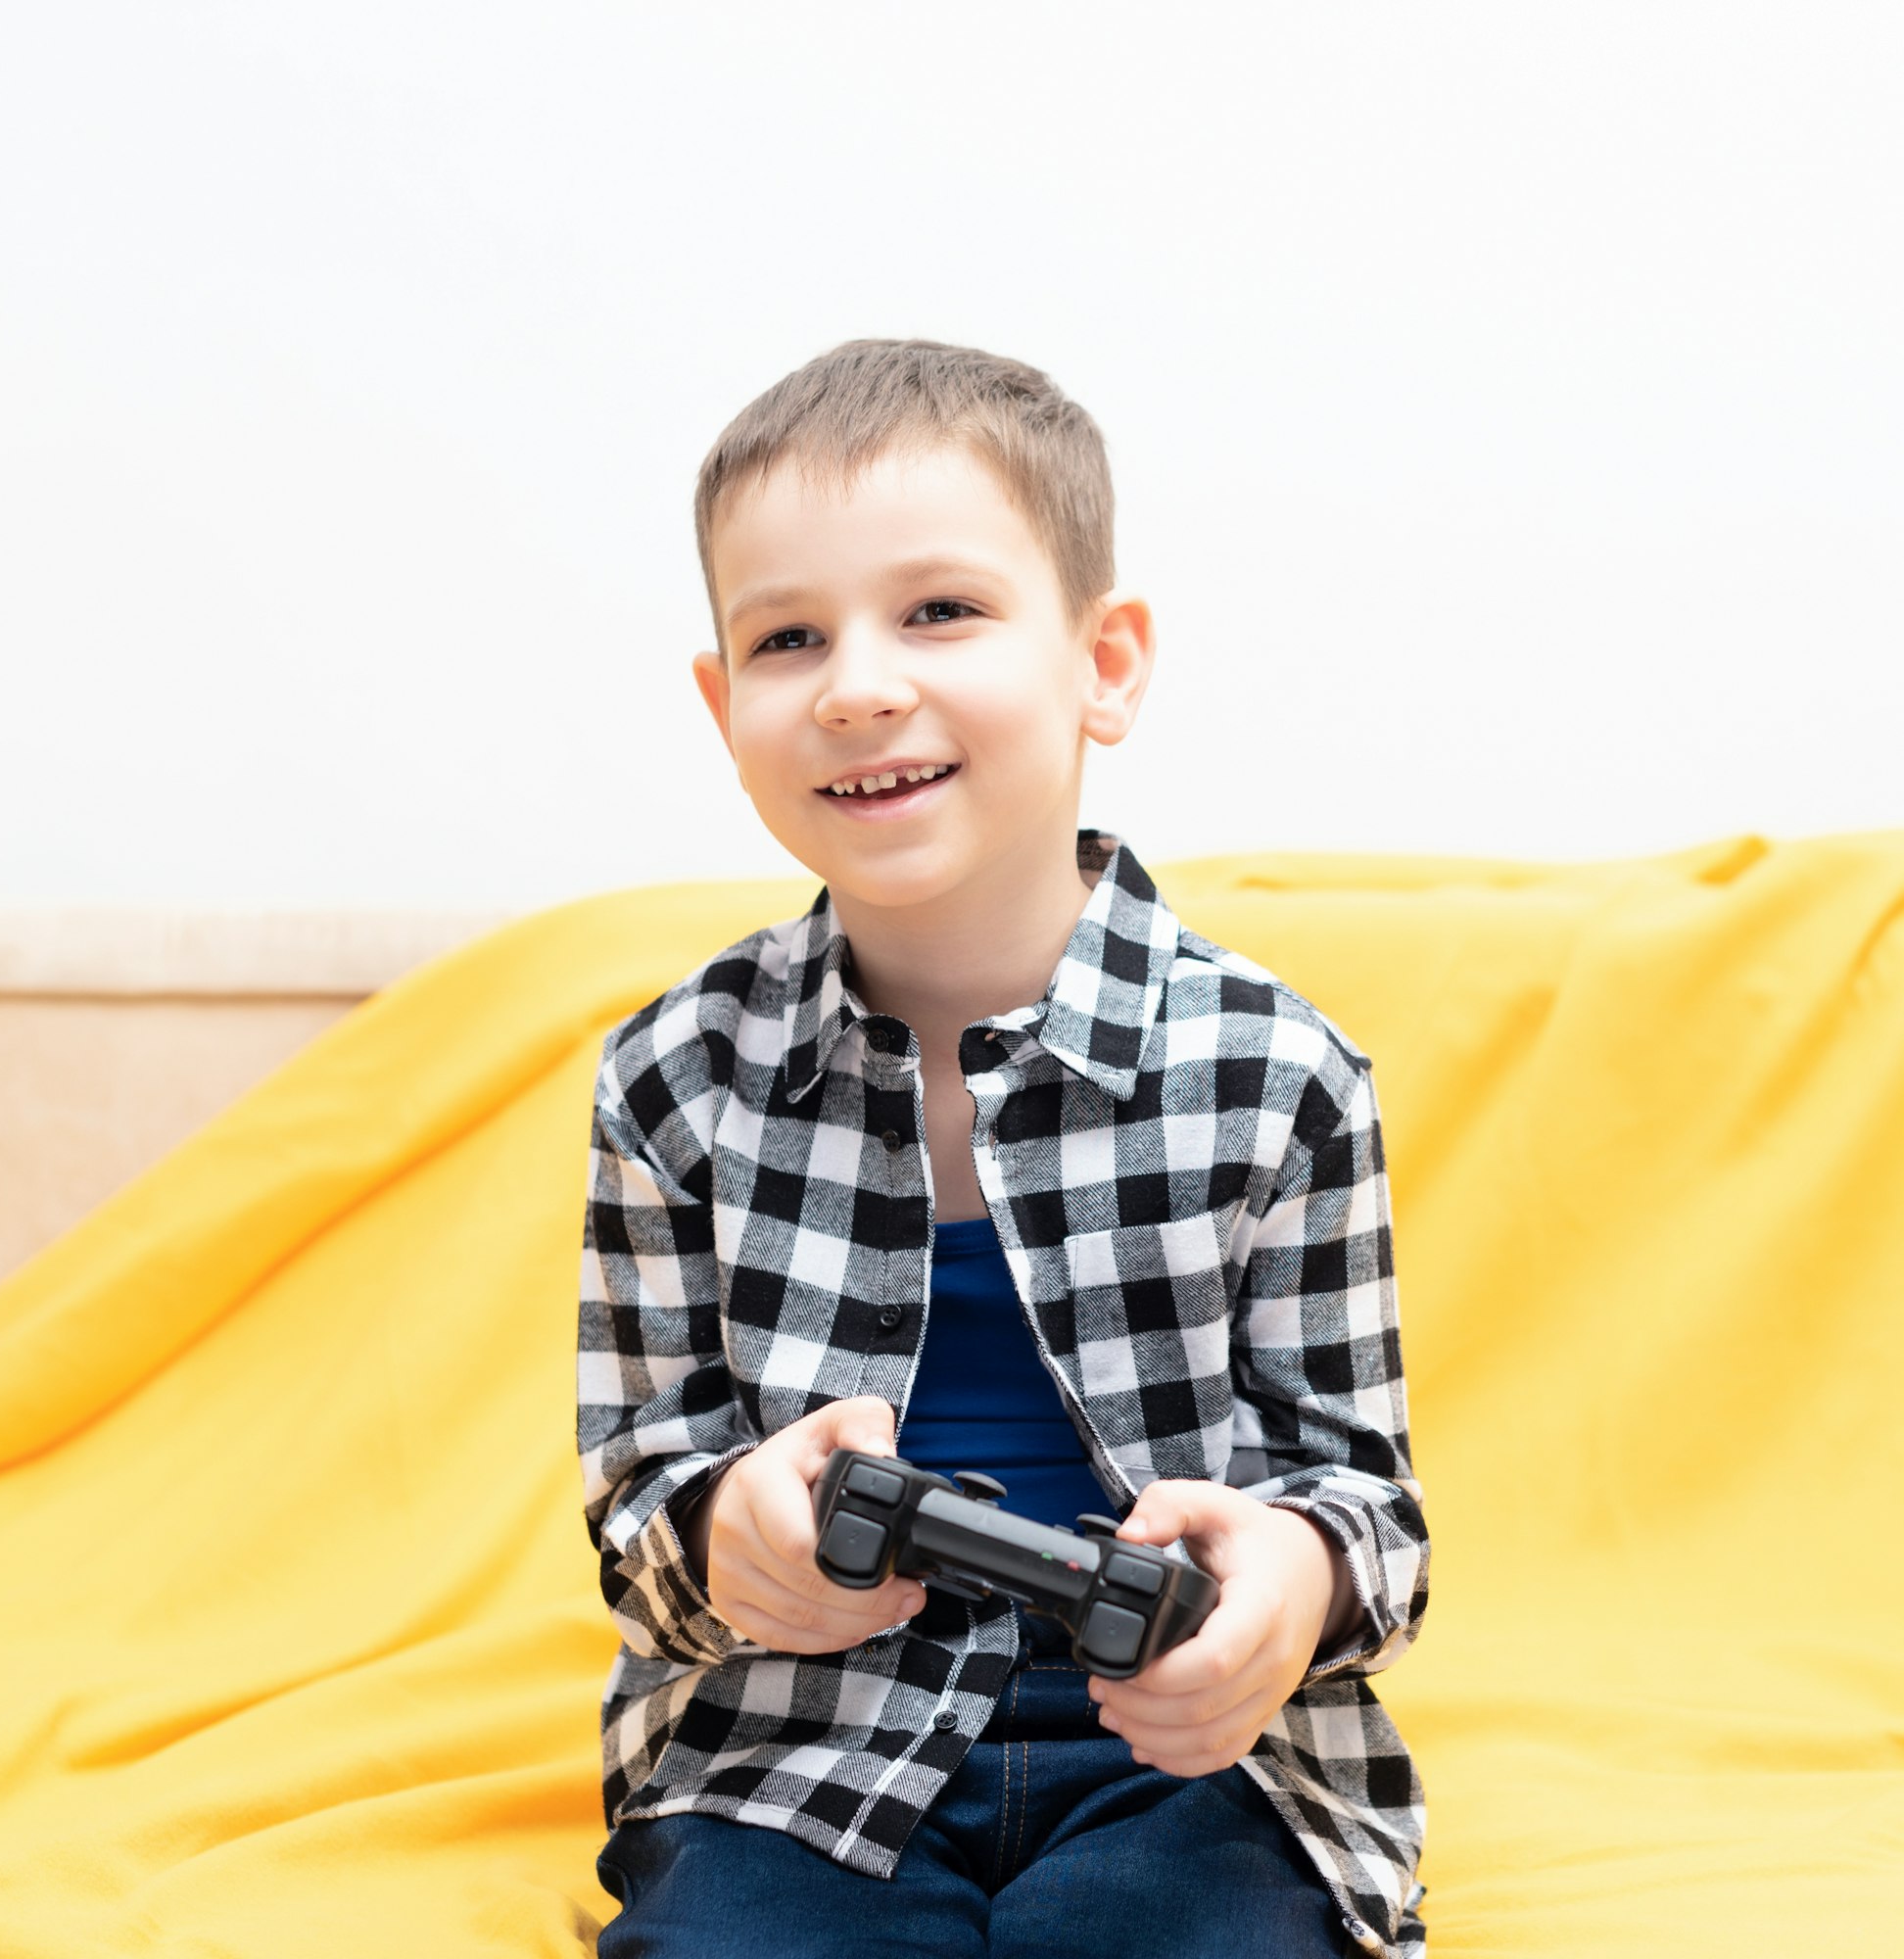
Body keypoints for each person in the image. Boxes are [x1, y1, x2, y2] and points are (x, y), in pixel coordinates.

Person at [576, 338, 1430, 1958]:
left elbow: (1370, 1506)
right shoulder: (672, 1081)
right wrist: (729, 1541)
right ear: (723, 705)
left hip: (1190, 1763)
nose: (857, 684)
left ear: (1105, 662)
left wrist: (1289, 1588)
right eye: (787, 637)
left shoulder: (1280, 1078)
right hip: (798, 1755)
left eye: (942, 610)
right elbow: (637, 1508)